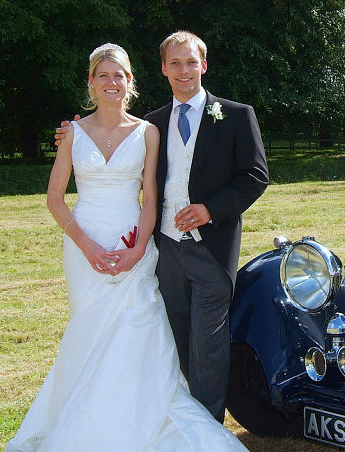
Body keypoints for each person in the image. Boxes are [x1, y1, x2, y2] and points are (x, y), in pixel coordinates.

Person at [4, 43, 273, 452]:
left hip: (176, 247)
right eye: (103, 76)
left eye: (192, 62)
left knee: (179, 341)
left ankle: (200, 429)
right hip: (126, 247)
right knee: (123, 336)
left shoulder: (202, 120)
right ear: (93, 81)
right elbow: (65, 193)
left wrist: (192, 219)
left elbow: (246, 177)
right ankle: (85, 427)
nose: (112, 83)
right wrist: (87, 239)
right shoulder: (135, 125)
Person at [57, 31, 268, 424]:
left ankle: (208, 430)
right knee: (174, 338)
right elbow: (111, 148)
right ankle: (182, 417)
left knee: (208, 343)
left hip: (212, 248)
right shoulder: (150, 124)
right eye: (175, 63)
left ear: (203, 65)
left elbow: (256, 175)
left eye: (191, 62)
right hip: (164, 251)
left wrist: (210, 209)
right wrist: (72, 139)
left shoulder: (237, 115)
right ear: (163, 69)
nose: (184, 70)